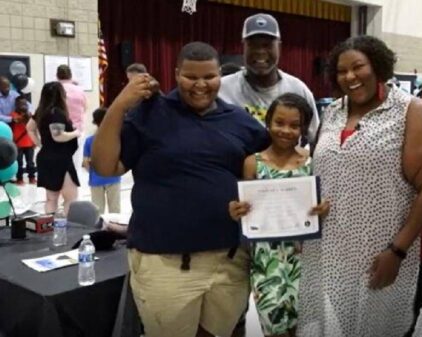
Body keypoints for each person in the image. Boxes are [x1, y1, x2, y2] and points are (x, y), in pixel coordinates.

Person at [91, 41, 269, 337]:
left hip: (228, 261)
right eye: (191, 76)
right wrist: (120, 104)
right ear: (176, 74)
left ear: (219, 76)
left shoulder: (240, 121)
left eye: (209, 77)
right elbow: (105, 166)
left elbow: (274, 169)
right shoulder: (150, 114)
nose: (200, 85)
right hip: (165, 264)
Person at [298, 35, 422, 337]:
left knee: (389, 326)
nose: (350, 77)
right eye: (342, 71)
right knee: (344, 325)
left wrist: (397, 251)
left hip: (391, 250)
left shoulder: (410, 110)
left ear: (378, 66)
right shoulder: (333, 111)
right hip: (338, 249)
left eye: (358, 67)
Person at [229, 93, 330, 337]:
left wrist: (322, 210)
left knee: (304, 327)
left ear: (304, 129)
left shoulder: (311, 162)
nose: (286, 130)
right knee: (273, 326)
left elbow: (321, 207)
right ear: (267, 123)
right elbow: (247, 209)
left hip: (305, 259)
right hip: (266, 261)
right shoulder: (253, 163)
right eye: (279, 122)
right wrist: (237, 211)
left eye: (295, 125)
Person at [220, 13, 319, 143]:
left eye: (267, 45)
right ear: (243, 47)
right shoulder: (222, 89)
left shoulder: (298, 90)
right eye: (253, 45)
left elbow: (315, 140)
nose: (260, 51)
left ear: (279, 47)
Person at [26, 82, 80, 215]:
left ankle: (49, 228)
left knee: (51, 198)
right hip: (60, 158)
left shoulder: (41, 111)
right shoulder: (57, 113)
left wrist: (40, 144)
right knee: (70, 198)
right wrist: (76, 133)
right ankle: (68, 229)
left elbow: (29, 128)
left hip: (46, 157)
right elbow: (58, 136)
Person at [82, 108, 121, 214]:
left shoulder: (89, 141)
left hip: (96, 179)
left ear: (95, 122)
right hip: (113, 177)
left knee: (97, 211)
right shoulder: (116, 138)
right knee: (115, 210)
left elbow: (86, 163)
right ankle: (115, 230)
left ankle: (99, 230)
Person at [57, 64, 87, 172]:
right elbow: (85, 108)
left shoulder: (54, 89)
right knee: (75, 165)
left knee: (59, 165)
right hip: (77, 130)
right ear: (70, 75)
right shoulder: (79, 90)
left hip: (59, 130)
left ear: (57, 76)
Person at [10, 95, 36, 185]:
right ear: (16, 105)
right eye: (21, 104)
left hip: (29, 142)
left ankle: (32, 177)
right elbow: (18, 120)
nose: (23, 106)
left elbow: (33, 127)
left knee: (31, 162)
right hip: (18, 143)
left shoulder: (30, 114)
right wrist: (26, 115)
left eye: (25, 104)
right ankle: (19, 178)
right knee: (19, 163)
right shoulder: (13, 114)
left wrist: (34, 141)